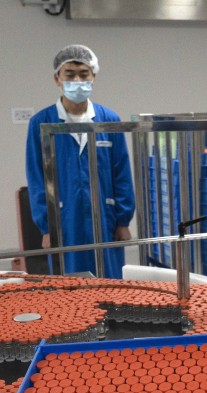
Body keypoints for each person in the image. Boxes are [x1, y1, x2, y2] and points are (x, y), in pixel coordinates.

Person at [25, 44, 135, 278]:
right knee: (71, 288)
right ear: (57, 79)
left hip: (106, 219)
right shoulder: (42, 123)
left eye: (83, 74)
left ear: (93, 77)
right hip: (65, 220)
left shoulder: (108, 120)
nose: (77, 80)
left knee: (110, 282)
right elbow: (37, 178)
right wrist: (47, 226)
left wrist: (123, 220)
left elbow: (121, 172)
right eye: (70, 74)